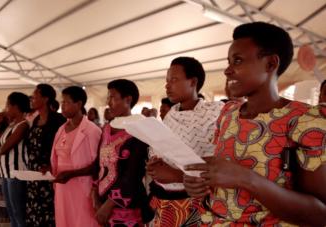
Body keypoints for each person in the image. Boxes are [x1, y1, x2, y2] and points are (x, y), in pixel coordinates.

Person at [183, 22, 326, 226]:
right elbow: (222, 178)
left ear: (271, 64)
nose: (227, 71)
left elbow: (320, 215)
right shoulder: (228, 113)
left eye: (237, 61)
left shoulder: (304, 120)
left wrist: (246, 178)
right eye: (229, 62)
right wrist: (200, 183)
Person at [146, 57, 224, 227]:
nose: (167, 85)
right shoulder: (171, 115)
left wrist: (175, 175)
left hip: (195, 206)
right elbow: (160, 149)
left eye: (174, 80)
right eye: (167, 81)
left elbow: (220, 166)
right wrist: (154, 163)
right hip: (165, 202)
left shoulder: (215, 114)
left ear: (193, 82)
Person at [92, 79, 152, 226]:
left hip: (126, 206)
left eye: (112, 97)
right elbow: (99, 163)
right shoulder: (107, 127)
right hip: (102, 202)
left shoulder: (139, 129)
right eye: (108, 97)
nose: (108, 102)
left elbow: (133, 173)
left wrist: (108, 205)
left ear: (128, 99)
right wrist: (95, 195)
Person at [51, 86, 101, 227]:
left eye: (66, 102)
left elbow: (98, 164)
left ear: (79, 104)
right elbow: (56, 157)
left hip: (81, 187)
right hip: (62, 187)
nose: (62, 106)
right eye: (62, 102)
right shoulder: (61, 129)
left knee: (82, 221)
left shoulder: (92, 130)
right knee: (64, 220)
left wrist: (72, 174)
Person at [26, 84, 66, 227]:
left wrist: (51, 166)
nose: (32, 98)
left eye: (35, 95)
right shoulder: (36, 120)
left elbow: (63, 148)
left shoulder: (58, 120)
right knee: (34, 211)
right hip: (33, 175)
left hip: (48, 174)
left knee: (48, 212)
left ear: (45, 98)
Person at [0, 92, 30, 227]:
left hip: (16, 174)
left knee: (19, 214)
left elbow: (3, 149)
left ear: (16, 106)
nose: (6, 108)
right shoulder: (11, 126)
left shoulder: (24, 125)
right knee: (12, 213)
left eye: (8, 105)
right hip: (5, 173)